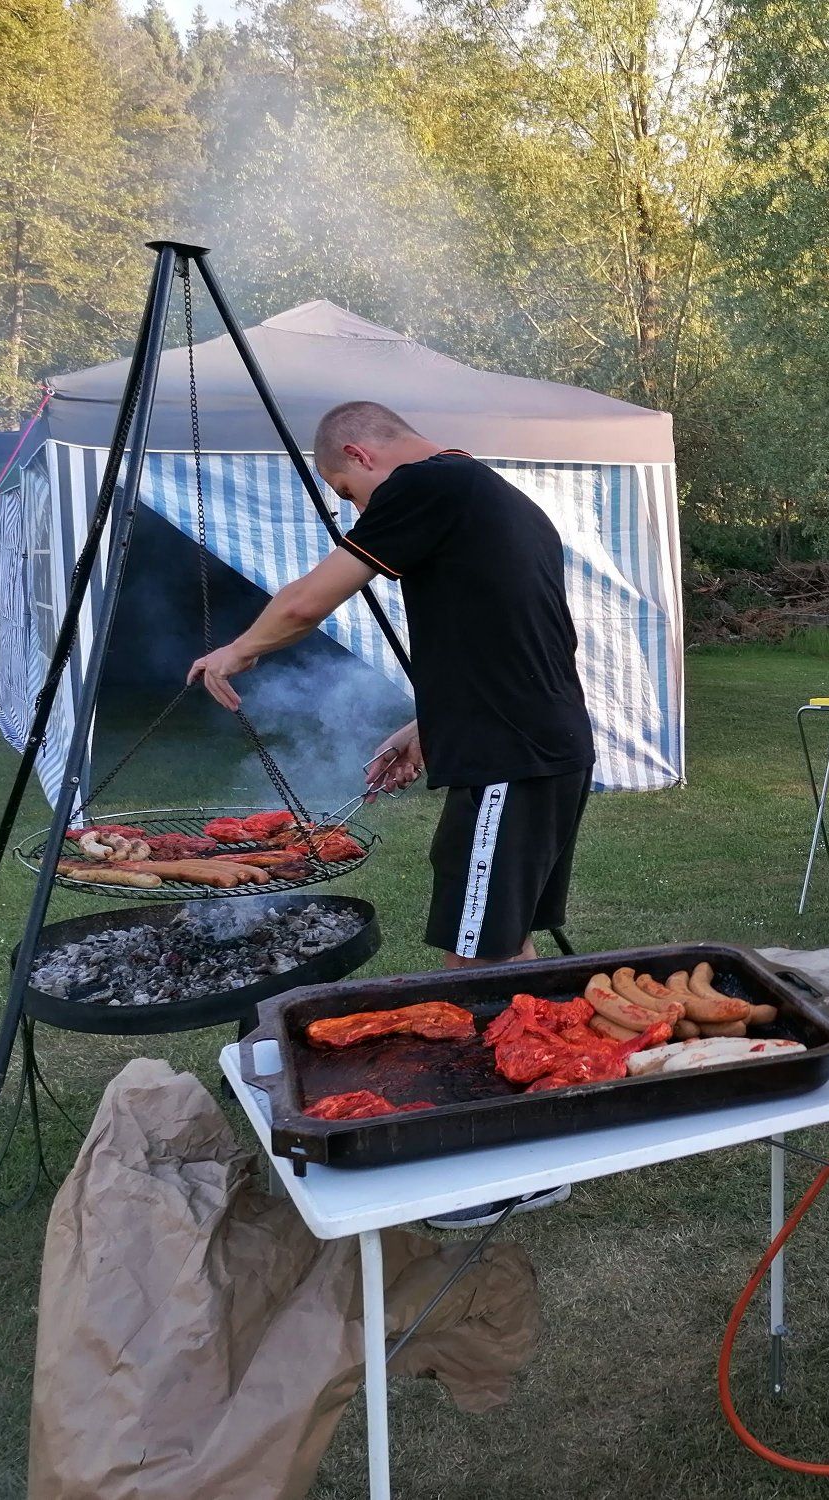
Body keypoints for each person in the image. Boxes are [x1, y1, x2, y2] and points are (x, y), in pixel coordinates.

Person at [189, 399, 594, 1228]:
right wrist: (429, 725)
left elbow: (308, 602)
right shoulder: (496, 497)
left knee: (474, 962)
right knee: (507, 950)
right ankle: (548, 1132)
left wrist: (239, 648)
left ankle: (493, 1165)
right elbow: (520, 641)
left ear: (356, 454)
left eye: (345, 491)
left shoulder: (423, 484)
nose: (352, 509)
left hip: (512, 762)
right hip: (544, 746)